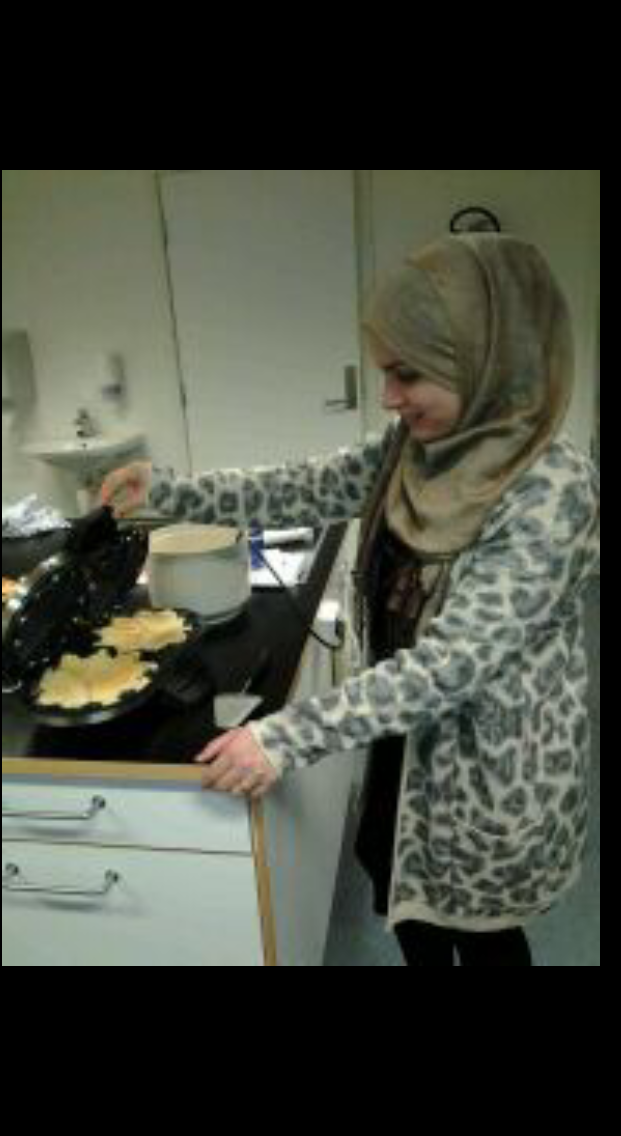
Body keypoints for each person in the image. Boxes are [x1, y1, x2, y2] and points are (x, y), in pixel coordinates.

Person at [102, 234, 600, 966]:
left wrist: (284, 737)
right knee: (407, 906)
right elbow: (304, 486)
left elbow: (453, 663)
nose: (389, 398)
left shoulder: (551, 488)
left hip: (488, 765)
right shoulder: (415, 446)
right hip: (404, 735)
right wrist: (172, 490)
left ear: (483, 360)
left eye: (408, 374)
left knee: (480, 933)